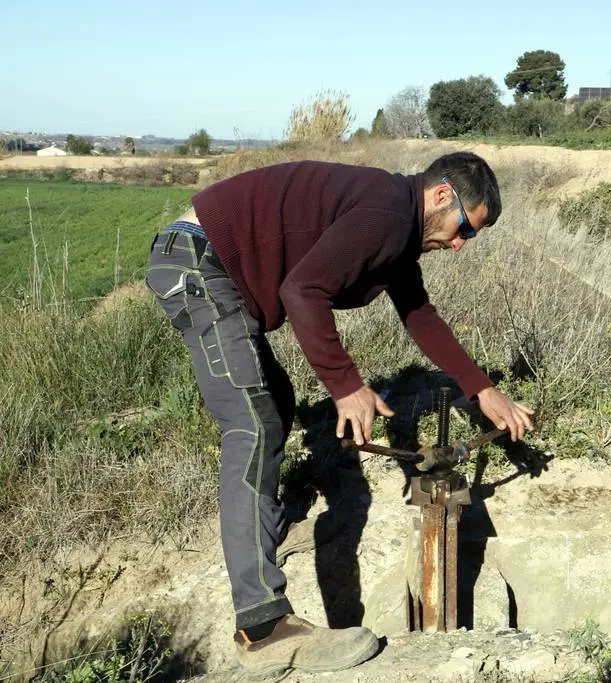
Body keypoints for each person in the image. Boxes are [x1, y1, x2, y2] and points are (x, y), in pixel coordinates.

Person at [144, 152, 535, 677]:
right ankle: (263, 628)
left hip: (208, 261)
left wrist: (482, 390)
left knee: (275, 408)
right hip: (198, 261)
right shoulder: (389, 215)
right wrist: (346, 385)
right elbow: (302, 291)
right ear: (442, 196)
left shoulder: (395, 226)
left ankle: (263, 531)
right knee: (252, 424)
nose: (461, 244)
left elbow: (419, 315)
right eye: (466, 227)